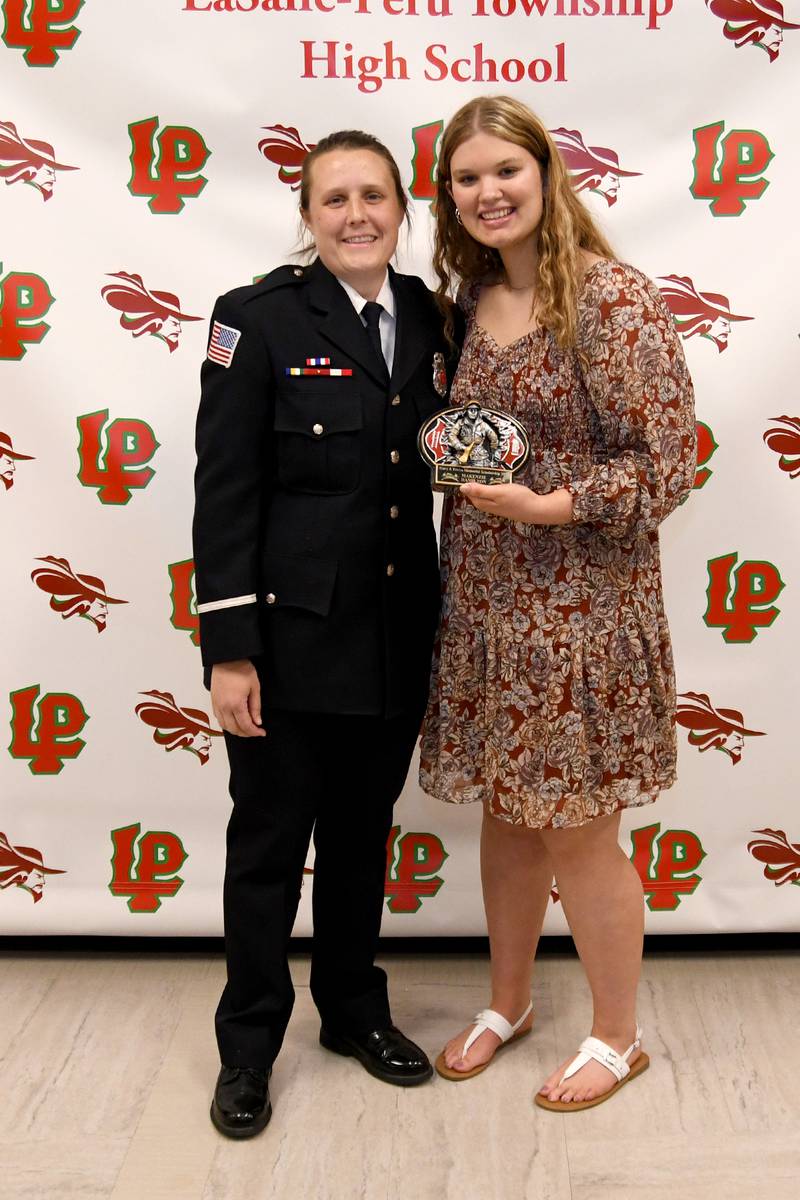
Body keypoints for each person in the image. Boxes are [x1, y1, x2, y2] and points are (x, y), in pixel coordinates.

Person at [419, 96, 696, 1111]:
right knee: (505, 815)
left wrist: (552, 503)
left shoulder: (611, 299)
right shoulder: (467, 298)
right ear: (449, 197)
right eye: (466, 177)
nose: (488, 192)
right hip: (488, 605)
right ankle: (508, 1004)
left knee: (578, 829)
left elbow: (666, 463)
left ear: (545, 173)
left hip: (580, 606)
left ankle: (616, 1039)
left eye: (505, 170)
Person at [193, 130, 458, 1138]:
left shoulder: (434, 321)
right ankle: (248, 1047)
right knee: (266, 850)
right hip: (287, 646)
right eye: (334, 198)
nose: (356, 214)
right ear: (306, 217)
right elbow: (225, 494)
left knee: (359, 842)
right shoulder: (253, 321)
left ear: (401, 211)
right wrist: (228, 650)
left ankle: (352, 1011)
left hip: (393, 636)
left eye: (374, 197)